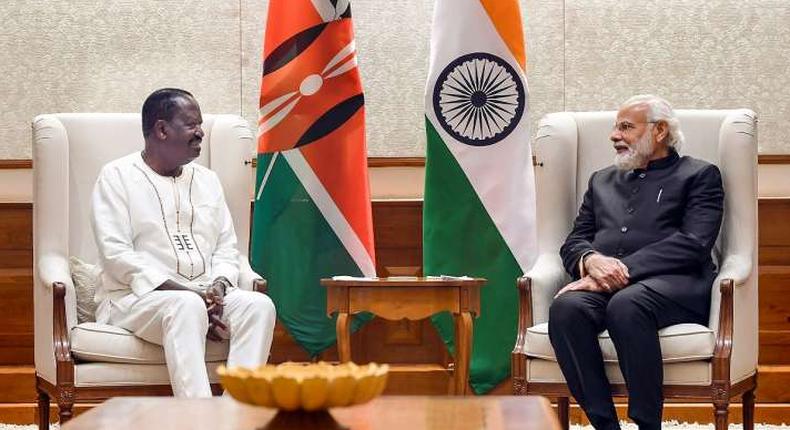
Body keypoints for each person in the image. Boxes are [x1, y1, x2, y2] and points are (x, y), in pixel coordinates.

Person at [549, 95, 724, 430]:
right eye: (616, 127)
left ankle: (647, 424)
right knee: (566, 309)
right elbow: (575, 240)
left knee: (627, 305)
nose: (615, 135)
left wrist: (620, 270)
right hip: (605, 286)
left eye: (626, 127)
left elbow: (693, 244)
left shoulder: (700, 175)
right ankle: (605, 425)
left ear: (659, 131)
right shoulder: (601, 180)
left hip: (677, 286)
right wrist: (591, 260)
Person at [90, 88, 276, 398]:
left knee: (258, 306)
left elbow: (226, 248)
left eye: (200, 124)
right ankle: (197, 419)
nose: (200, 133)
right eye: (191, 124)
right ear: (162, 129)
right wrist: (191, 295)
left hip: (204, 294)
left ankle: (237, 416)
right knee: (187, 305)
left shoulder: (207, 180)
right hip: (135, 300)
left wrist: (217, 288)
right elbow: (116, 255)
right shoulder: (116, 176)